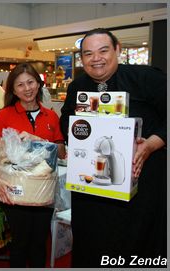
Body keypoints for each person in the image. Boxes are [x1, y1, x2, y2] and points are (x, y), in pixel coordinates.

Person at [60, 28, 166, 267]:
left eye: (103, 50)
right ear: (82, 59)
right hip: (92, 191)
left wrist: (151, 144)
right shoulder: (77, 87)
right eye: (88, 53)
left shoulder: (147, 78)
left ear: (117, 50)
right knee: (91, 243)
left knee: (138, 243)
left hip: (141, 184)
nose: (96, 58)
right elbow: (66, 120)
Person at [0, 63, 66, 267]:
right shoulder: (3, 115)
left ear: (38, 84)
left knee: (39, 243)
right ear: (13, 90)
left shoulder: (51, 116)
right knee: (20, 242)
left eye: (30, 82)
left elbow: (61, 152)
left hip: (43, 190)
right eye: (20, 85)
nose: (27, 88)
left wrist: (35, 139)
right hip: (13, 190)